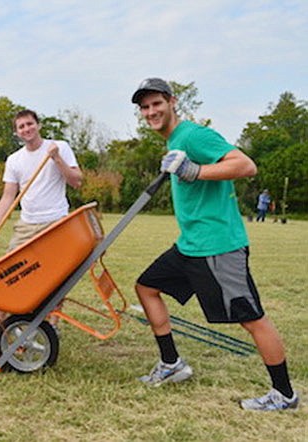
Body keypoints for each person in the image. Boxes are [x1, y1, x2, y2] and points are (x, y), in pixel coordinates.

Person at [130, 77, 298, 411]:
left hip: (218, 246)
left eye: (156, 104)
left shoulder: (194, 135)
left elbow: (245, 165)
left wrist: (194, 170)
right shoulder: (174, 139)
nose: (151, 111)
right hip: (190, 245)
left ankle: (284, 395)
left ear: (172, 101)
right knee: (146, 287)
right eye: (145, 107)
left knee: (252, 319)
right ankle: (171, 364)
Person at [0, 109, 83, 334]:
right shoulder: (14, 160)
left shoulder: (58, 146)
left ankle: (52, 325)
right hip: (27, 224)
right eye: (21, 126)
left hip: (56, 222)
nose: (26, 129)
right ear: (17, 132)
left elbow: (77, 181)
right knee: (9, 272)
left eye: (30, 124)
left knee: (56, 276)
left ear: (38, 125)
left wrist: (56, 159)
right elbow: (8, 196)